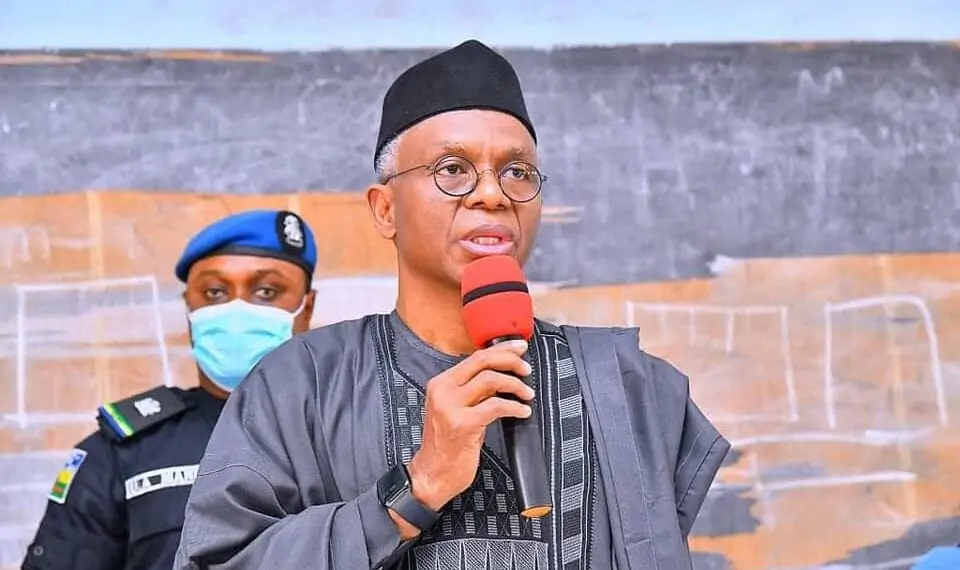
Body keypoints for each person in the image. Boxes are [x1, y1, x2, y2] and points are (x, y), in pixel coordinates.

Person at [175, 40, 730, 570]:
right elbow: (220, 560)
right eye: (453, 170)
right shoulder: (301, 383)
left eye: (517, 172)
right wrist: (415, 489)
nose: (492, 193)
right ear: (385, 209)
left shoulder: (631, 389)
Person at [21, 209, 318, 570]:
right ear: (189, 309)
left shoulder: (354, 432)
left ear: (307, 307)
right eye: (215, 292)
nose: (237, 309)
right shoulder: (126, 453)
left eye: (266, 291)